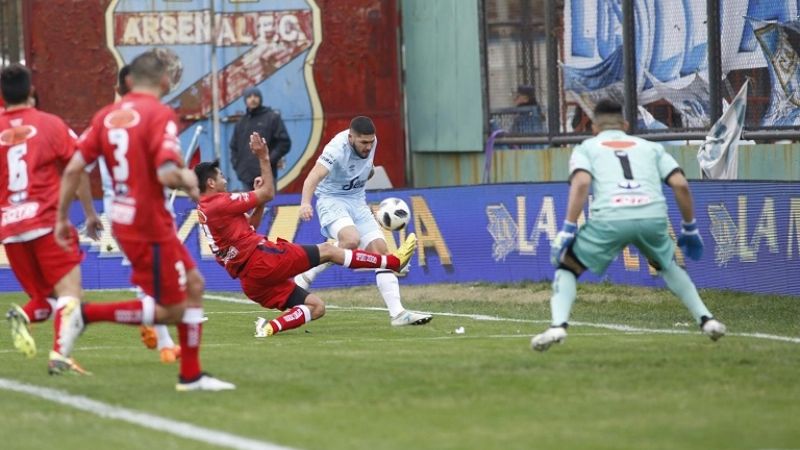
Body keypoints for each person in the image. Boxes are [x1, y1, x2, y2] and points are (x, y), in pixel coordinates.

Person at [55, 50, 234, 391]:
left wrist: (64, 218)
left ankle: (192, 376)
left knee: (194, 285)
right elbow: (167, 174)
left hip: (127, 219)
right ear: (166, 81)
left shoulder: (106, 116)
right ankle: (86, 315)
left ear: (130, 81)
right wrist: (187, 178)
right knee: (173, 310)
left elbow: (75, 168)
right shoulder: (160, 113)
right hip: (146, 224)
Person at [530, 100, 726, 352]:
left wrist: (568, 227)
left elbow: (580, 184)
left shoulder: (587, 148)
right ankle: (706, 319)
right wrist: (689, 227)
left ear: (593, 127)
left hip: (610, 218)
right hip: (651, 216)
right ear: (625, 125)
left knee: (567, 267)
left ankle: (558, 325)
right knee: (667, 265)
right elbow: (680, 185)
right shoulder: (650, 148)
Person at [196, 132, 417, 337]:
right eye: (221, 176)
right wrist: (263, 157)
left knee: (317, 307)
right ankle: (392, 261)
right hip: (261, 261)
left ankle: (269, 328)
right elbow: (268, 192)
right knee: (330, 250)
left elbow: (251, 224)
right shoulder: (219, 203)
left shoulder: (206, 209)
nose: (225, 179)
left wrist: (260, 204)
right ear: (211, 183)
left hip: (251, 282)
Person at [0, 63, 102, 373]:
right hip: (45, 221)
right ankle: (60, 355)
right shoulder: (50, 124)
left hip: (10, 229)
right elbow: (78, 166)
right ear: (31, 92)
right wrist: (88, 212)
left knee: (46, 301)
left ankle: (24, 317)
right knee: (71, 293)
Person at [297, 116, 432, 326]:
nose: (368, 147)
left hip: (357, 202)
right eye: (363, 143)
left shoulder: (372, 142)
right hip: (331, 200)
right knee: (350, 240)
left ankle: (398, 314)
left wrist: (365, 174)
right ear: (351, 138)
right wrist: (305, 203)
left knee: (381, 252)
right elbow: (312, 178)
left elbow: (364, 169)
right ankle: (310, 270)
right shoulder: (335, 149)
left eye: (371, 142)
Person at [97, 64, 182, 363]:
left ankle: (164, 340)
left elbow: (76, 167)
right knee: (179, 282)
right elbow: (161, 168)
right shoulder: (150, 117)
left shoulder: (104, 120)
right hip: (145, 209)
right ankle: (170, 346)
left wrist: (88, 213)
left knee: (151, 280)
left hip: (116, 210)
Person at [229, 86, 290, 190]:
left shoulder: (272, 118)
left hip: (266, 174)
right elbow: (233, 147)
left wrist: (268, 160)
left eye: (256, 96)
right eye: (249, 96)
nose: (253, 99)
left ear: (260, 98)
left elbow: (284, 143)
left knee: (268, 205)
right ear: (245, 100)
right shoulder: (241, 123)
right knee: (249, 206)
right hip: (246, 177)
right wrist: (238, 166)